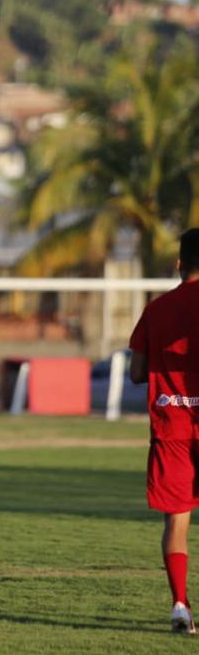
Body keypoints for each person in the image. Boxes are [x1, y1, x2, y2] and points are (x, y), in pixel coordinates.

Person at [129, 227, 199, 634]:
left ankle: (180, 605)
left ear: (178, 264)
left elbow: (138, 372)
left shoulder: (156, 311)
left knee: (177, 523)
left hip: (172, 426)